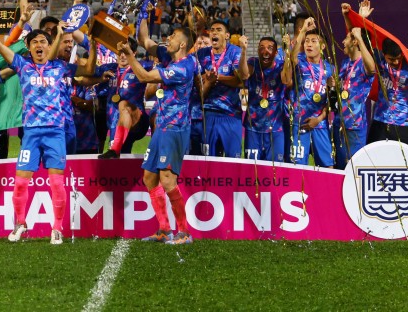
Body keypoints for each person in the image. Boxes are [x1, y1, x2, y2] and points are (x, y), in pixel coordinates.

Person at [0, 1, 72, 245]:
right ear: (28, 47)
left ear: (50, 46)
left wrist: (65, 28)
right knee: (20, 183)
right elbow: (0, 46)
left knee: (56, 183)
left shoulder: (59, 67)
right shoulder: (23, 65)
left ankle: (57, 228)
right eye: (34, 42)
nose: (39, 45)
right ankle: (20, 223)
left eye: (43, 42)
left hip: (55, 132)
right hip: (30, 133)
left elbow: (68, 50)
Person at [118, 27, 197, 245]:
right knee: (149, 177)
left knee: (168, 180)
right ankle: (164, 229)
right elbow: (145, 39)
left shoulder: (182, 68)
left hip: (174, 128)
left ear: (182, 44)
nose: (168, 38)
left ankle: (184, 232)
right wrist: (145, 12)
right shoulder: (172, 59)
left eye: (173, 37)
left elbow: (144, 76)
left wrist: (129, 54)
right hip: (162, 126)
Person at [281, 18, 335, 167]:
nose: (309, 44)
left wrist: (319, 119)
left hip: (320, 123)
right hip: (299, 123)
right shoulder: (300, 62)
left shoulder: (330, 69)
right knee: (297, 167)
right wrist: (303, 30)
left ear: (322, 46)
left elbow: (331, 101)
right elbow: (291, 58)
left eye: (313, 41)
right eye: (306, 41)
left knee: (328, 166)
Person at [333, 2, 378, 168]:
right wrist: (350, 17)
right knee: (339, 167)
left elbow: (372, 69)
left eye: (347, 39)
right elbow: (352, 33)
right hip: (339, 122)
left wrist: (358, 35)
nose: (343, 41)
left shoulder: (364, 64)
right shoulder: (345, 63)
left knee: (353, 168)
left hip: (355, 125)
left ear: (355, 42)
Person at [196, 20, 248, 158]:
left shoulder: (235, 52)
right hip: (208, 114)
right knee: (208, 160)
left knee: (233, 160)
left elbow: (241, 80)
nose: (214, 32)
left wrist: (217, 78)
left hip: (230, 114)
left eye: (219, 30)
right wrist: (208, 79)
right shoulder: (201, 54)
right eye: (212, 30)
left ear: (227, 35)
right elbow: (197, 81)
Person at [244, 37, 286, 162]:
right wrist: (243, 51)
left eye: (270, 48)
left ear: (276, 52)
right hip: (253, 127)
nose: (265, 51)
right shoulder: (253, 63)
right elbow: (244, 75)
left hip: (276, 127)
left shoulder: (281, 66)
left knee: (275, 168)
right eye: (261, 47)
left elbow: (287, 80)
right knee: (252, 168)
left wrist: (288, 53)